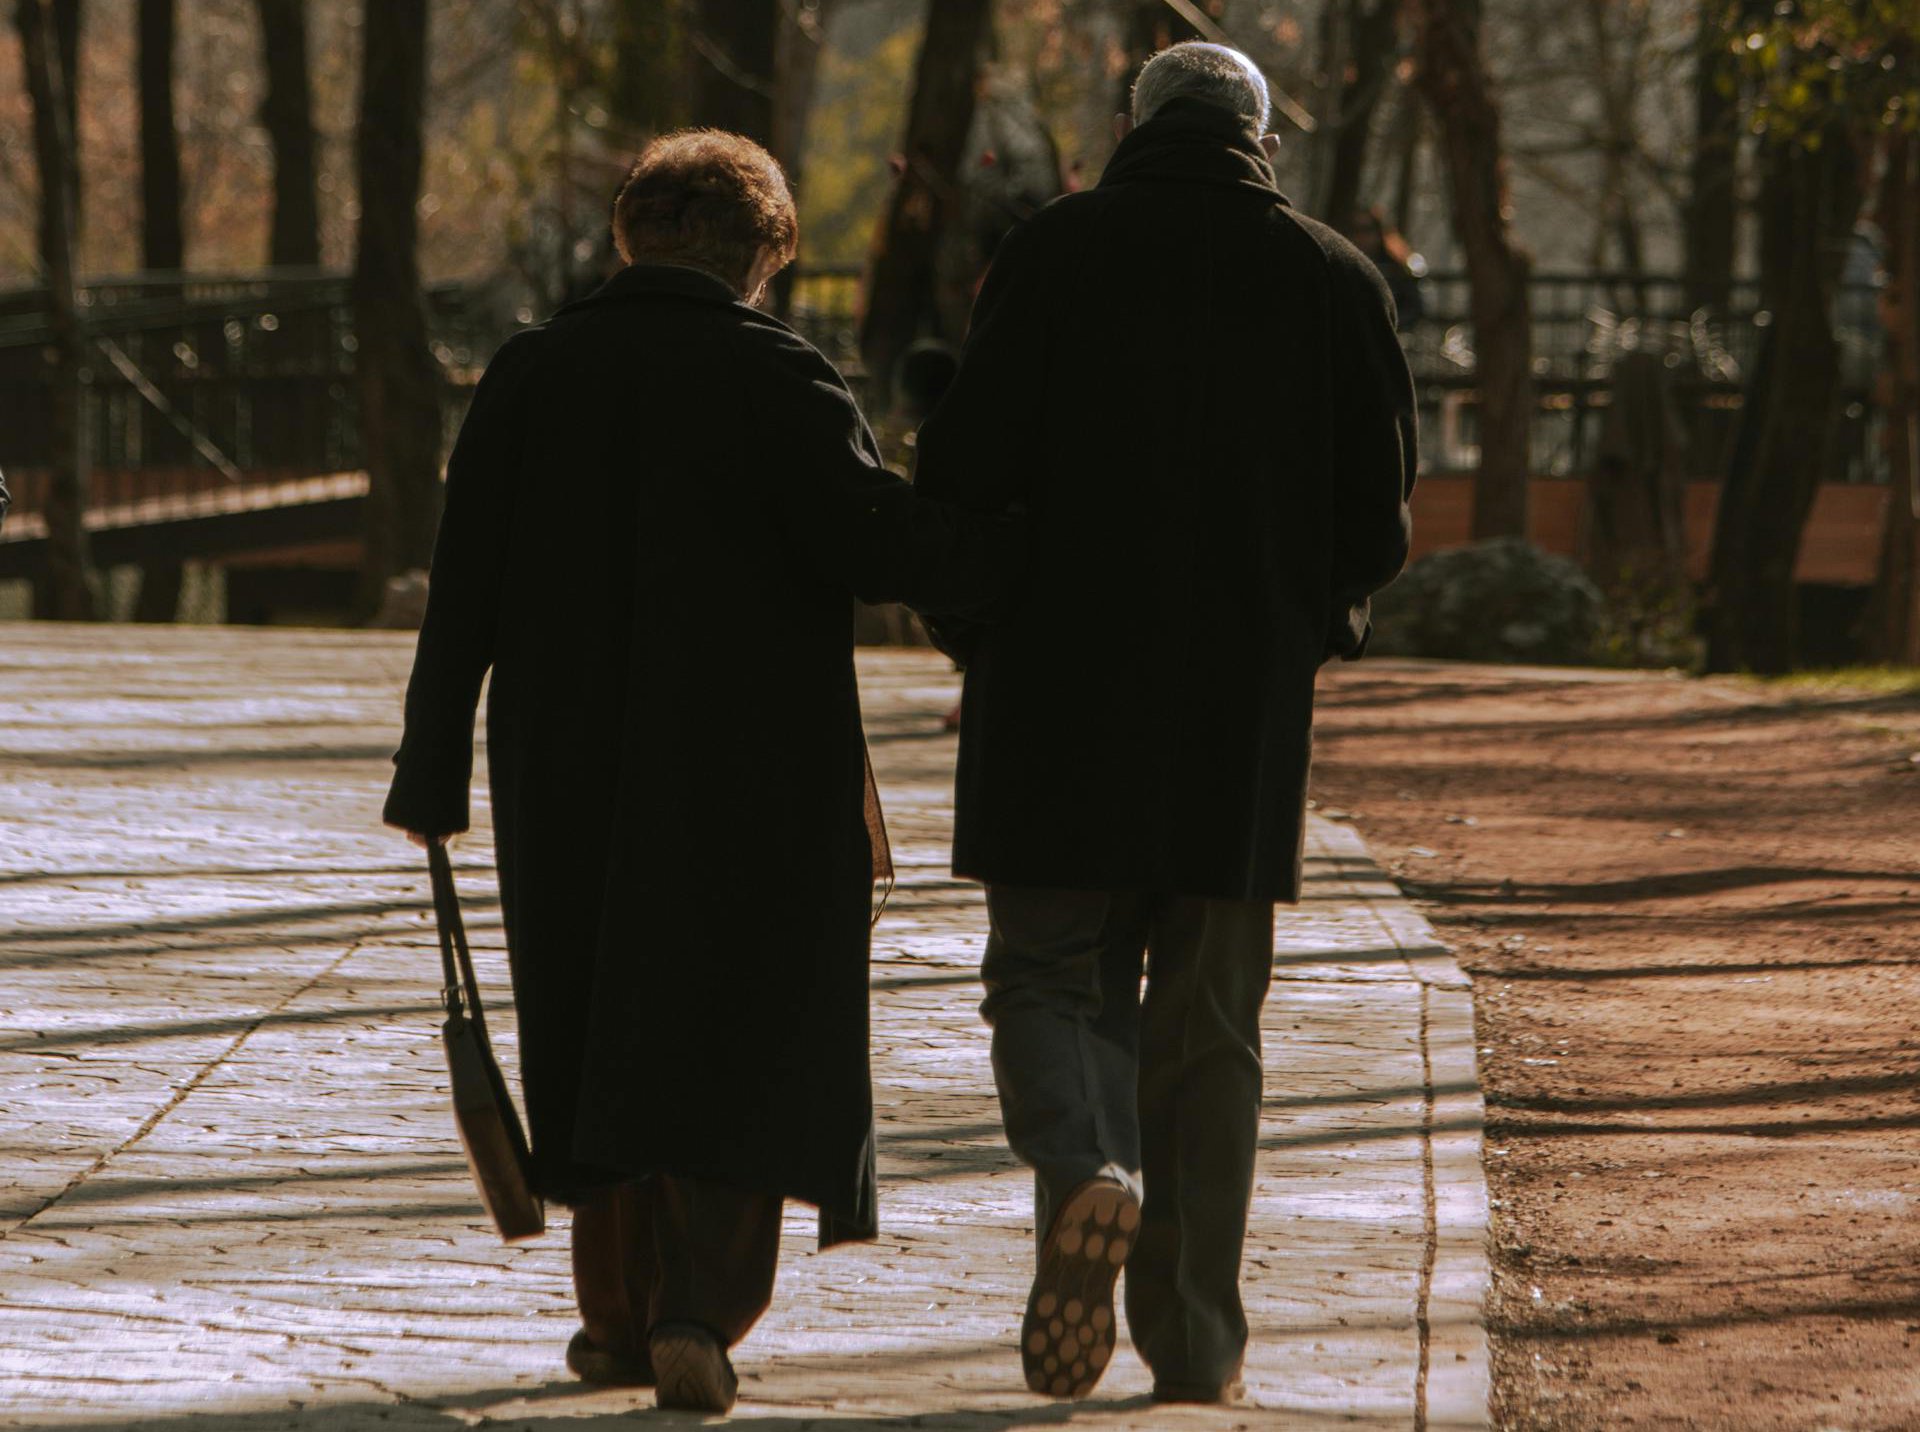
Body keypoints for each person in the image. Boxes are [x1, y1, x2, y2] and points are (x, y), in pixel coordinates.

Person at [383, 130, 1016, 1415]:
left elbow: (466, 588)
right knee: (740, 1024)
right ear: (762, 255)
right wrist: (1015, 541)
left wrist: (431, 763)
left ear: (629, 239)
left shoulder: (531, 374)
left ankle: (611, 1317)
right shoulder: (777, 376)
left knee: (596, 1014)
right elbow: (872, 543)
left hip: (566, 773)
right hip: (753, 775)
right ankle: (699, 1312)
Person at [911, 42, 1416, 1405]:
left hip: (1056, 703)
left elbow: (961, 471)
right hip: (1233, 724)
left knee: (1045, 976)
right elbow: (1378, 524)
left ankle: (1085, 1166)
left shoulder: (1054, 252)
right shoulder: (1333, 279)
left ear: (1129, 127)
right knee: (1210, 1037)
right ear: (1262, 135)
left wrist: (978, 618)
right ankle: (1194, 1345)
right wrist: (1303, 627)